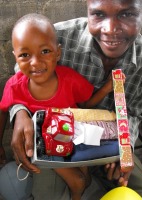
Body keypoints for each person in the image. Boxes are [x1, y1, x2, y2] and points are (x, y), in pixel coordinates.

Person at [8, 0, 142, 199]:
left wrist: (126, 149)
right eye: (99, 14)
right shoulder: (57, 36)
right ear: (88, 5)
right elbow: (22, 71)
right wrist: (20, 112)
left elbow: (134, 111)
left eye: (126, 14)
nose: (109, 30)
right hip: (61, 139)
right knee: (47, 194)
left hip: (112, 144)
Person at [0, 13, 120, 200]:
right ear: (15, 57)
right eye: (25, 55)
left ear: (58, 52)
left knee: (85, 178)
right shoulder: (14, 86)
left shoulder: (69, 79)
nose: (35, 62)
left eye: (45, 51)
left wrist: (106, 89)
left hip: (74, 138)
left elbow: (86, 104)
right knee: (78, 182)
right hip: (46, 147)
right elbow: (3, 109)